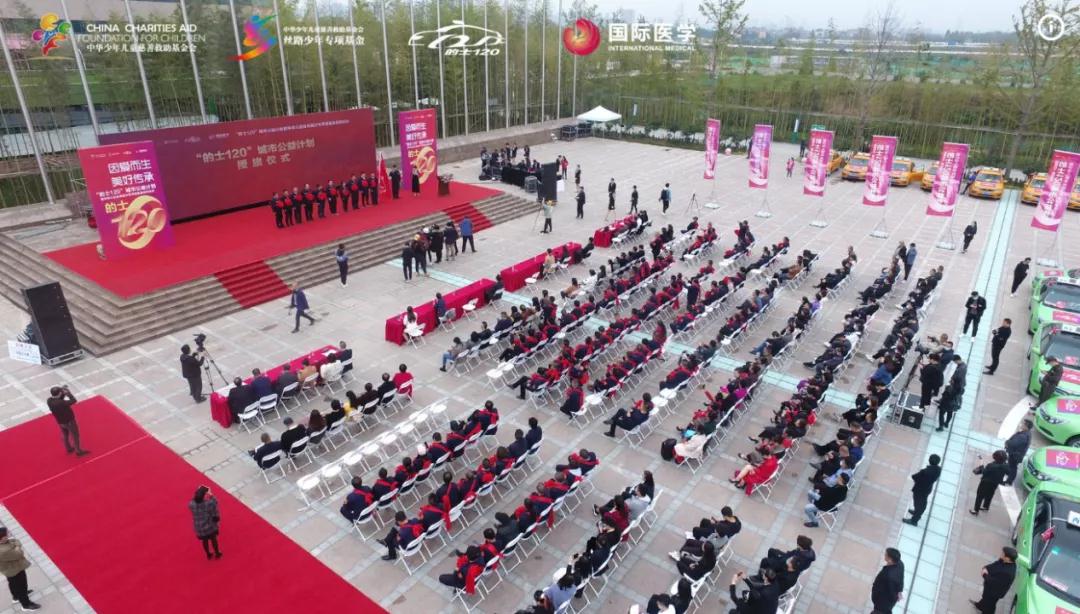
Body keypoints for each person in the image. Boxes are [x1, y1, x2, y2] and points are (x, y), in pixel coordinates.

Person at [0, 527, 40, 611]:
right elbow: (18, 553)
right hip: (14, 570)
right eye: (7, 533)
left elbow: (13, 541)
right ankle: (26, 605)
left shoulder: (3, 543)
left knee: (13, 584)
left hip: (9, 569)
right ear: (2, 538)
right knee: (21, 586)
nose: (9, 533)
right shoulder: (3, 551)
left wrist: (15, 545)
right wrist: (17, 545)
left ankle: (16, 597)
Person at [970, 547, 1017, 614]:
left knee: (990, 606)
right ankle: (980, 606)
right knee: (985, 599)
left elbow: (995, 582)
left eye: (1003, 554)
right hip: (990, 588)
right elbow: (995, 564)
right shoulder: (1004, 560)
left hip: (995, 592)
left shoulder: (1008, 574)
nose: (1001, 554)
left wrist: (984, 575)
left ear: (1008, 558)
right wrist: (986, 568)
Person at [46, 385, 89, 456]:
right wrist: (69, 393)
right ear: (60, 393)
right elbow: (74, 401)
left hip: (60, 421)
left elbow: (60, 398)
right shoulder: (61, 403)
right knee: (75, 435)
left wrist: (62, 391)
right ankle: (78, 451)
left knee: (65, 435)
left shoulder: (49, 400)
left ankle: (68, 448)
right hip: (69, 421)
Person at [903, 454, 941, 526]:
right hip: (927, 489)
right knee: (921, 503)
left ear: (930, 461)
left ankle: (914, 520)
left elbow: (915, 477)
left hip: (920, 490)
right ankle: (917, 513)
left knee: (919, 504)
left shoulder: (925, 472)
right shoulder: (938, 469)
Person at [970, 450, 1009, 515]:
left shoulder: (991, 466)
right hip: (995, 483)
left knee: (980, 496)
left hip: (985, 482)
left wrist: (981, 465)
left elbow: (984, 472)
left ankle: (976, 510)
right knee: (989, 495)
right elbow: (1008, 472)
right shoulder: (1006, 466)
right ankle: (986, 507)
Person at [189, 485, 222, 560]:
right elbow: (215, 502)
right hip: (209, 526)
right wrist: (211, 495)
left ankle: (208, 554)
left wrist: (199, 492)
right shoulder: (208, 504)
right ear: (203, 496)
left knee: (204, 541)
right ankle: (217, 553)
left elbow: (193, 500)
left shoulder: (191, 504)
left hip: (199, 528)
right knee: (213, 539)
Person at [871, 548, 904, 614]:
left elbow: (891, 591)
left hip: (882, 604)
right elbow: (901, 578)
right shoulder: (900, 564)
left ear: (890, 559)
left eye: (886, 555)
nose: (884, 555)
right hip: (885, 602)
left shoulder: (889, 575)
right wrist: (900, 591)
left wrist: (896, 597)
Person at [1004, 420, 1032, 485]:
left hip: (1015, 455)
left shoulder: (1023, 436)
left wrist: (1007, 442)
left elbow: (1013, 443)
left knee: (1013, 468)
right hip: (1017, 454)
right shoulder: (1027, 433)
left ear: (1026, 426)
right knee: (1012, 466)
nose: (1021, 424)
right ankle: (1008, 474)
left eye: (1023, 424)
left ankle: (1009, 481)